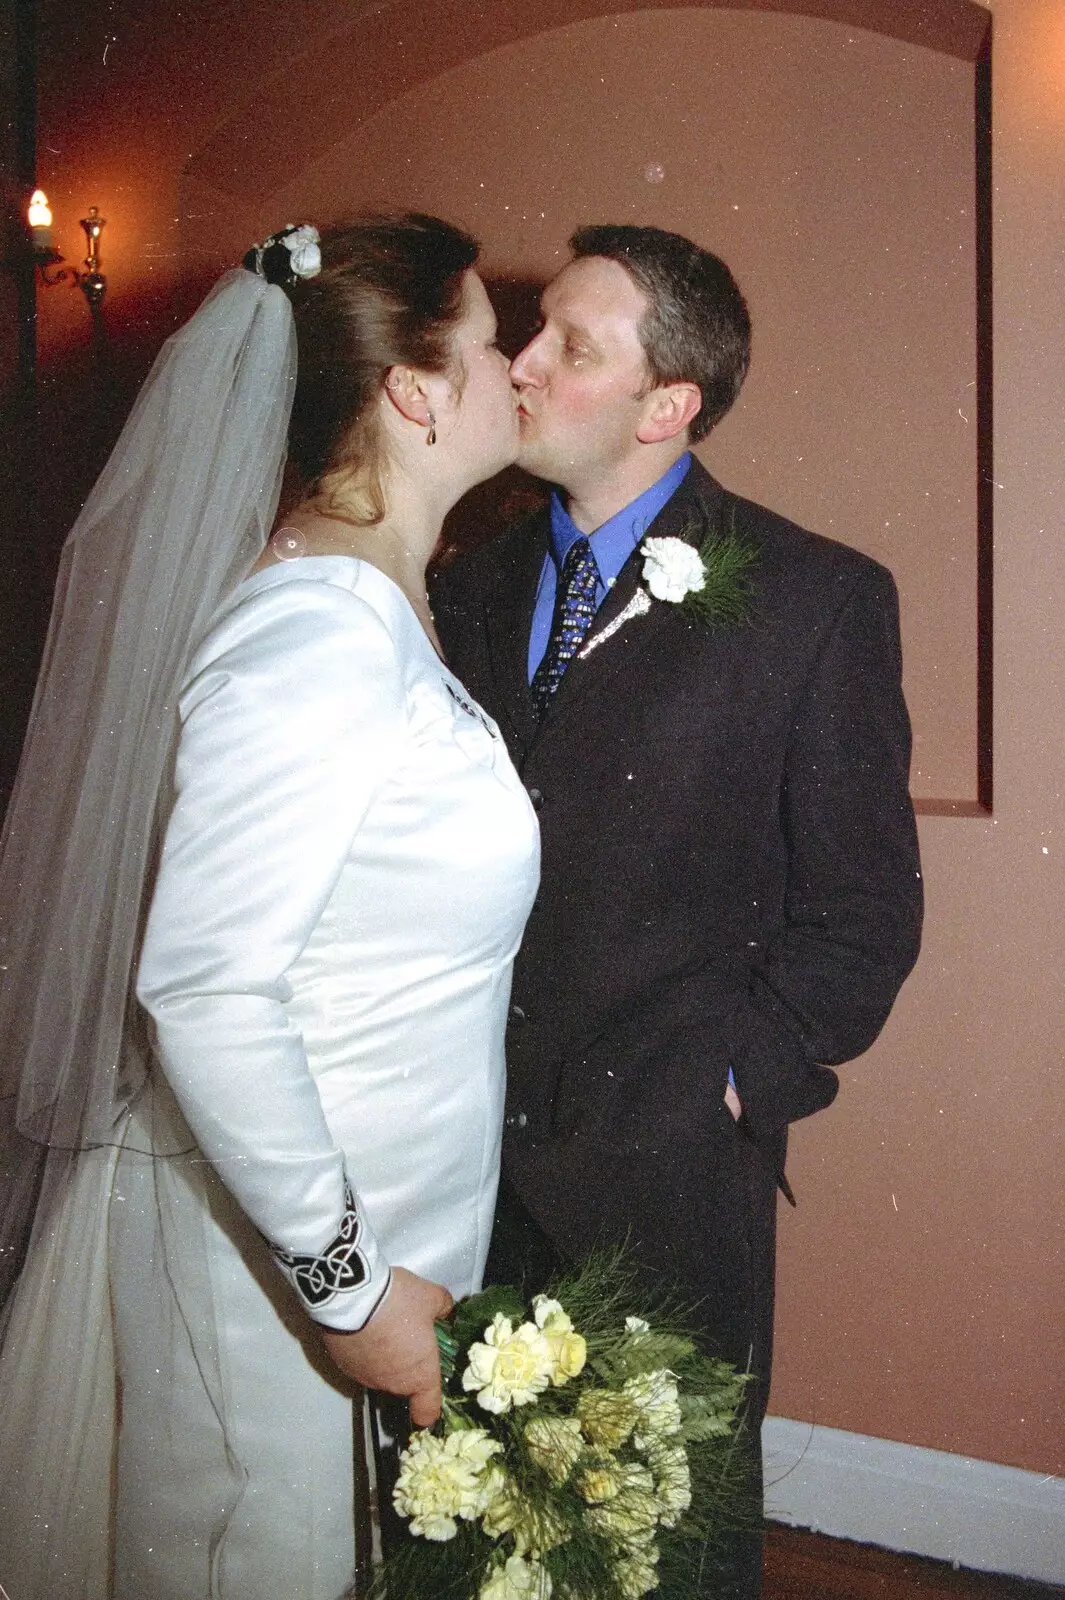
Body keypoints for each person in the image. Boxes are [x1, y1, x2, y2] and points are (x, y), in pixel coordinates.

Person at [0, 215, 539, 1599]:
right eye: (489, 342)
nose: (517, 369)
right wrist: (349, 1292)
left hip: (358, 1255)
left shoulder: (380, 607)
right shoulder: (312, 635)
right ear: (411, 393)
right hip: (274, 1293)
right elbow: (208, 992)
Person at [431, 223, 924, 1596]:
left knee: (660, 1551)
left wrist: (720, 1083)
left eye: (568, 346)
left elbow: (864, 915)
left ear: (669, 406)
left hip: (661, 1176)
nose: (518, 362)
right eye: (530, 333)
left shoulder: (816, 603)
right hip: (458, 1168)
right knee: (478, 1538)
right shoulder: (460, 584)